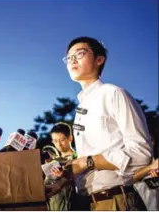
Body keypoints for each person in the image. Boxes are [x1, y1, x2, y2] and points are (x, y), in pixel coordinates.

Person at [52, 36, 152, 210]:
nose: (72, 60)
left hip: (117, 200)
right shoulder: (81, 108)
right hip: (88, 203)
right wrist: (68, 173)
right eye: (68, 58)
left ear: (99, 59)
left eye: (80, 53)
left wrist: (88, 162)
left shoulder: (113, 94)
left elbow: (141, 153)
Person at [45, 122, 77, 211]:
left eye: (62, 140)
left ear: (70, 138)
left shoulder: (80, 157)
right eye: (55, 141)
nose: (59, 144)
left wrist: (64, 177)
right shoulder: (53, 163)